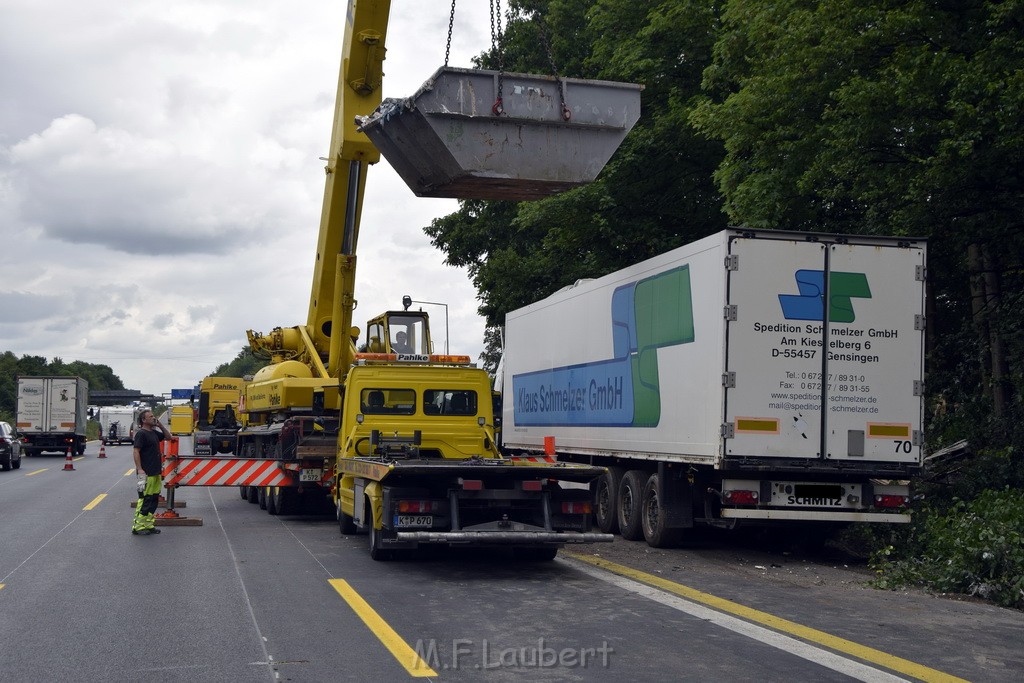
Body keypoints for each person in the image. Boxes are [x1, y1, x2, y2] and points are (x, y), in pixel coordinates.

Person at [131, 409, 170, 536]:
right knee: (145, 500)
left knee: (153, 500)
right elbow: (136, 451)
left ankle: (148, 524)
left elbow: (168, 437)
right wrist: (140, 468)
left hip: (155, 472)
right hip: (146, 473)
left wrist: (160, 425)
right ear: (143, 420)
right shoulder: (141, 434)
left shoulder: (153, 433)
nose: (154, 418)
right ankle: (138, 527)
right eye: (151, 416)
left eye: (154, 416)